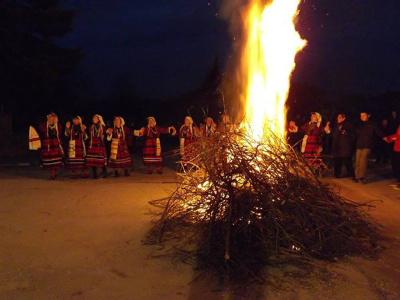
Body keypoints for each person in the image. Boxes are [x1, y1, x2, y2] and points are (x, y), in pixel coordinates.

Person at [354, 111, 385, 184]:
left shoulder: (372, 124)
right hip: (359, 145)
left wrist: (384, 137)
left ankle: (362, 176)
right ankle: (357, 176)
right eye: (361, 115)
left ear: (368, 115)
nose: (362, 117)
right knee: (358, 161)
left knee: (363, 160)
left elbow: (378, 131)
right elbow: (355, 134)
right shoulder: (359, 125)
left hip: (368, 144)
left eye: (364, 115)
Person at [325, 113, 355, 179]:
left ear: (344, 118)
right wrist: (328, 130)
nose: (338, 119)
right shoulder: (336, 126)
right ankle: (337, 174)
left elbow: (353, 134)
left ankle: (351, 174)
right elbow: (331, 134)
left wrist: (346, 133)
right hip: (337, 146)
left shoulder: (348, 125)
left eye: (340, 117)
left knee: (347, 161)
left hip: (345, 147)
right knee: (337, 161)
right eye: (337, 117)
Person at [37, 113, 64, 180]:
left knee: (55, 159)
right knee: (49, 159)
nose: (51, 119)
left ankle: (53, 173)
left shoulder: (58, 126)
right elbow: (39, 133)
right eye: (50, 118)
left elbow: (60, 134)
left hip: (55, 144)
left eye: (53, 118)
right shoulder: (43, 126)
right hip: (47, 144)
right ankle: (52, 173)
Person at [86, 114, 108, 179]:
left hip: (99, 144)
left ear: (99, 120)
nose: (93, 119)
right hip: (92, 144)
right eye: (93, 118)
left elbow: (106, 134)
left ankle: (104, 172)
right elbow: (88, 134)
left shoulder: (103, 127)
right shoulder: (91, 127)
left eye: (95, 118)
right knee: (93, 159)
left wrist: (108, 133)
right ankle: (94, 174)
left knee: (101, 159)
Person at [384, 124, 400, 189]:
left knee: (398, 165)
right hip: (397, 148)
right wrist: (389, 138)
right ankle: (398, 180)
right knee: (395, 164)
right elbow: (397, 134)